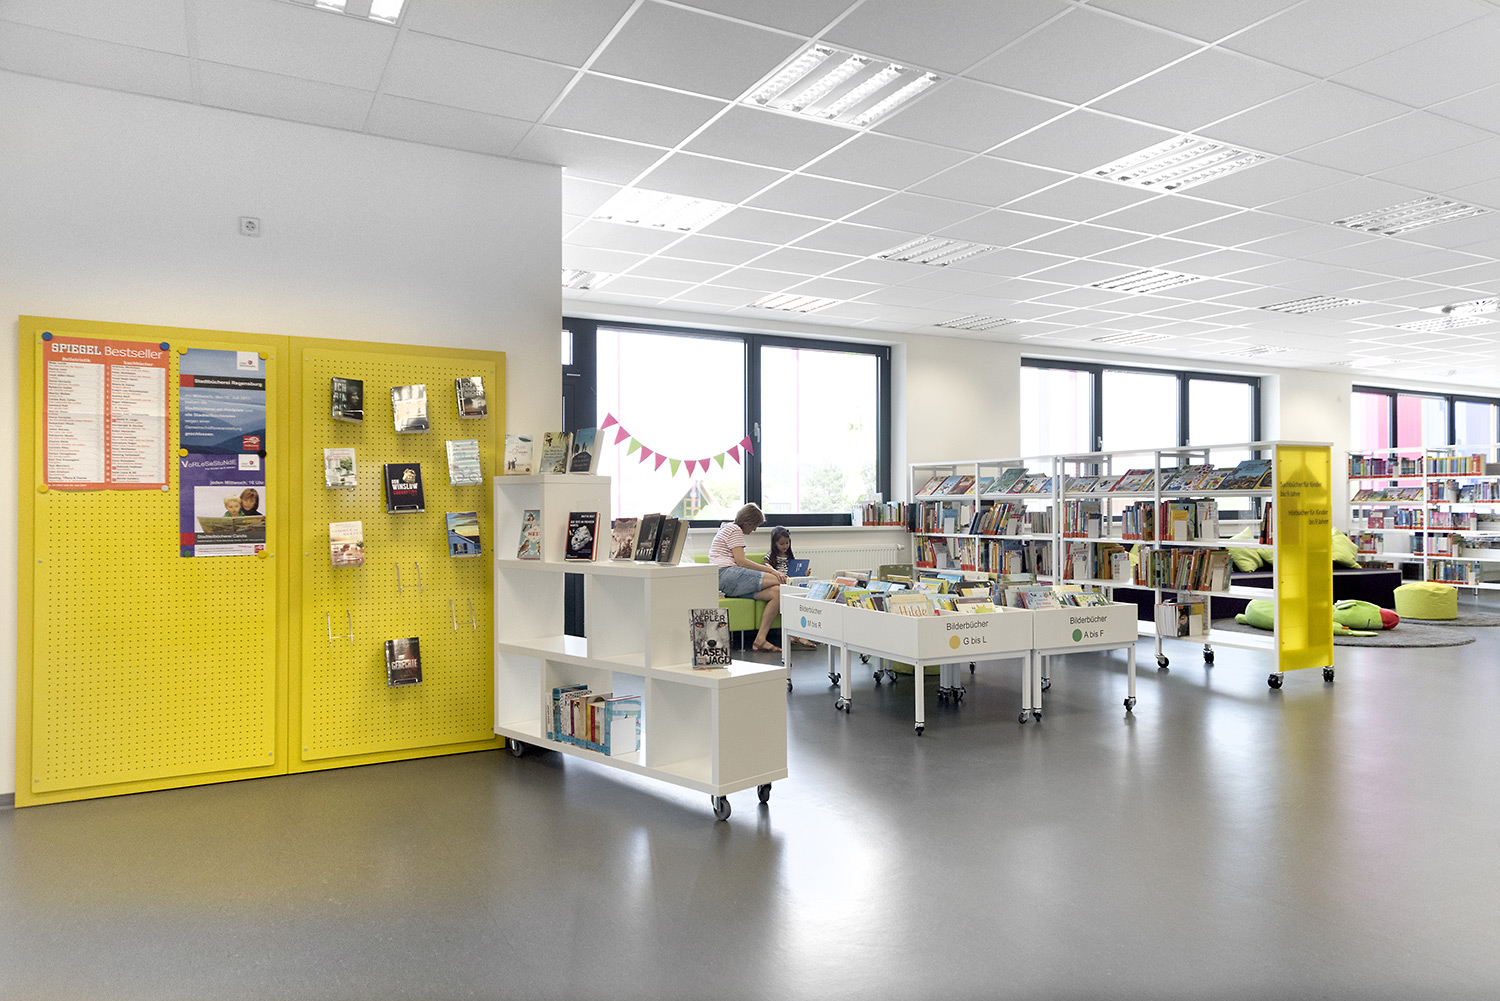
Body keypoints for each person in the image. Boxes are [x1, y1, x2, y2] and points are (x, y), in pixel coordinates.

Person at [708, 503, 785, 654]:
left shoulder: (726, 528)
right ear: (747, 523)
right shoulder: (735, 529)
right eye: (755, 526)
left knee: (777, 592)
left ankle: (760, 640)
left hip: (724, 581)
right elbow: (741, 561)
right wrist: (772, 570)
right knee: (783, 580)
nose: (754, 529)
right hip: (727, 574)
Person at [765, 527, 816, 648]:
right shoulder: (770, 556)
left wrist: (804, 574)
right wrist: (776, 572)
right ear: (775, 543)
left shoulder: (789, 556)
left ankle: (800, 635)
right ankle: (796, 636)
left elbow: (794, 573)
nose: (785, 546)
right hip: (779, 584)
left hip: (791, 583)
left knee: (802, 598)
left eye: (787, 543)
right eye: (781, 544)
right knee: (791, 600)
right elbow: (767, 567)